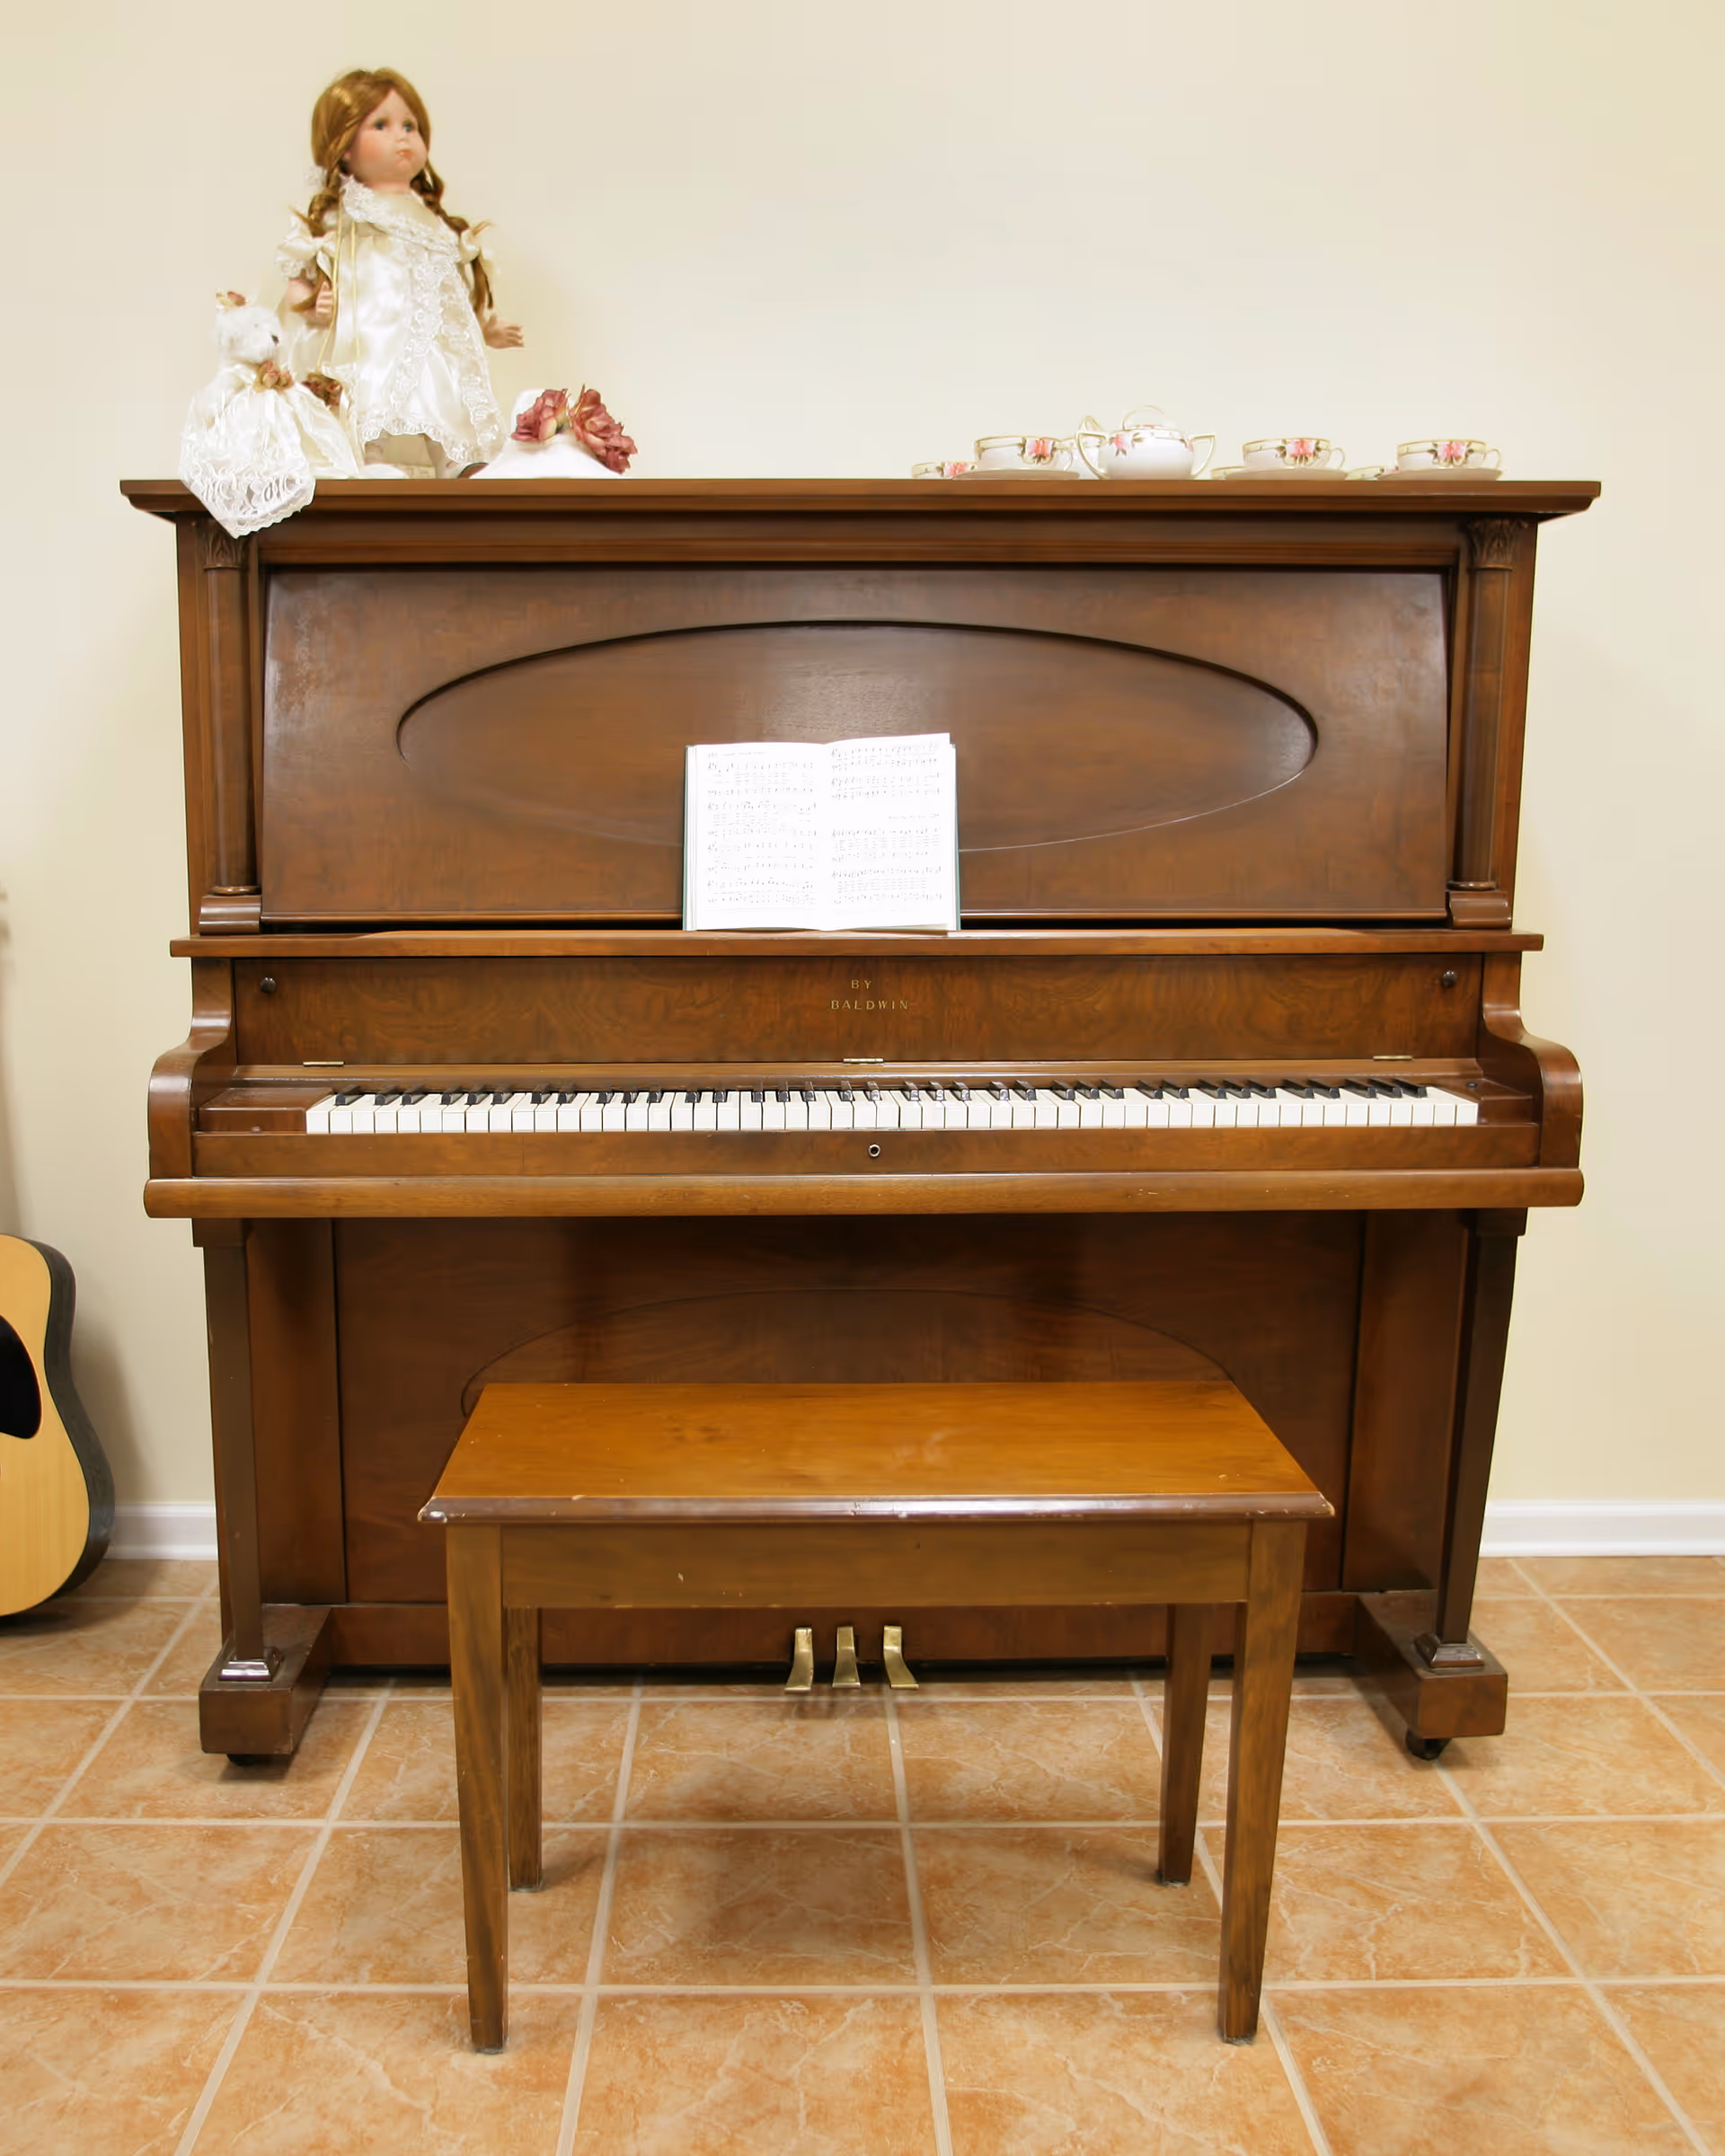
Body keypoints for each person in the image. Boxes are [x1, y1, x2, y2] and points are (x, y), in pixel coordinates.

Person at [278, 68, 523, 475]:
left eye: (410, 125)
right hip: (371, 334)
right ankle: (367, 457)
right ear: (344, 147)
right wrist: (309, 304)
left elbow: (453, 289)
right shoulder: (345, 214)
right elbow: (299, 272)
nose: (402, 136)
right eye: (382, 125)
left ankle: (457, 461)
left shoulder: (432, 220)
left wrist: (485, 328)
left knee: (444, 393)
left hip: (432, 339)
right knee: (370, 393)